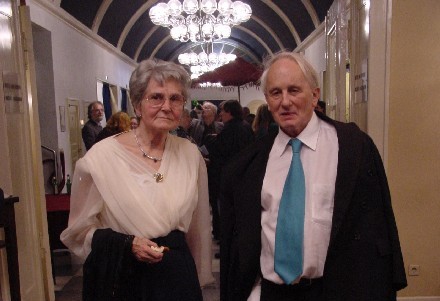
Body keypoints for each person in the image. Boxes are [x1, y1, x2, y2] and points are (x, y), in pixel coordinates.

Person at [220, 52, 407, 301]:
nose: (285, 102)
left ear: (315, 95)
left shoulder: (353, 148)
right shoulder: (249, 162)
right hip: (271, 293)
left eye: (294, 90)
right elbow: (240, 243)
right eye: (276, 93)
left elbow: (378, 227)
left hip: (334, 290)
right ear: (267, 100)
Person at [61, 58, 214, 301]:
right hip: (126, 278)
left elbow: (197, 228)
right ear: (137, 105)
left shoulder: (190, 153)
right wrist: (127, 244)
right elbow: (78, 232)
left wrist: (194, 277)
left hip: (177, 276)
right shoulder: (101, 157)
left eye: (175, 98)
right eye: (156, 97)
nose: (167, 106)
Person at [205, 100, 254, 244]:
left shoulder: (230, 128)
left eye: (223, 111)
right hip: (243, 178)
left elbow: (222, 151)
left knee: (228, 214)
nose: (221, 114)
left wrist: (212, 141)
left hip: (229, 179)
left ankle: (228, 242)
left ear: (230, 112)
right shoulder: (245, 127)